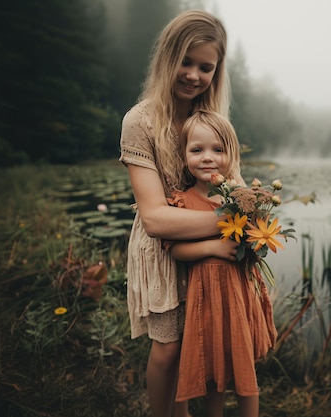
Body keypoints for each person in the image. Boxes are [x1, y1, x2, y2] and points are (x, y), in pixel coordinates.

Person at [118, 10, 240, 417]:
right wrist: (236, 223)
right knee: (169, 347)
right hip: (162, 248)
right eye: (186, 62)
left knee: (198, 343)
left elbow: (233, 182)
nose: (193, 75)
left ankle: (183, 412)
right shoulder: (140, 122)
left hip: (210, 251)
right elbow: (155, 219)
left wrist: (248, 207)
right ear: (167, 58)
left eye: (206, 67)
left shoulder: (211, 123)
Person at [164, 110, 277, 417]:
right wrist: (213, 246)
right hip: (208, 296)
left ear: (231, 154)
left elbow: (256, 242)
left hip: (239, 295)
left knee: (242, 364)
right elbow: (175, 250)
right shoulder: (183, 202)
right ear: (184, 154)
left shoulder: (241, 199)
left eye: (218, 150)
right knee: (214, 368)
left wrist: (256, 235)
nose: (207, 158)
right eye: (197, 150)